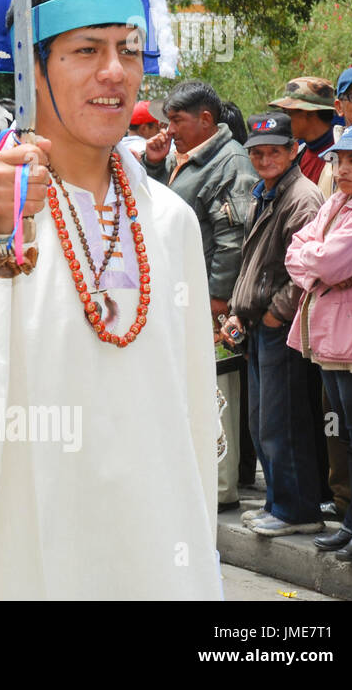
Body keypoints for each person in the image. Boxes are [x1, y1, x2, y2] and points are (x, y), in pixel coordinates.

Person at [0, 0, 221, 600]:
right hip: (16, 522)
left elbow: (188, 398)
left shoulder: (171, 217)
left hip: (146, 533)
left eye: (128, 50)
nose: (114, 72)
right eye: (85, 51)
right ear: (30, 70)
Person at [144, 79, 256, 514]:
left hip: (206, 301)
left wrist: (216, 299)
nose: (168, 130)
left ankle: (221, 484)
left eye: (176, 120)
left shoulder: (229, 162)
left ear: (205, 119)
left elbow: (232, 238)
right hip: (180, 295)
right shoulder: (184, 159)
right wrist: (155, 166)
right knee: (193, 386)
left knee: (217, 388)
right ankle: (197, 477)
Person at [220, 112, 325, 537]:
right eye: (257, 153)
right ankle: (279, 503)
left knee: (282, 420)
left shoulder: (301, 196)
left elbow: (307, 271)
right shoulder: (267, 192)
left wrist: (275, 312)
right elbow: (253, 263)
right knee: (263, 420)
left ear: (293, 150)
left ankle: (296, 511)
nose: (265, 159)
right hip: (259, 323)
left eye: (274, 151)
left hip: (282, 324)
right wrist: (238, 311)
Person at [285, 123, 352, 562]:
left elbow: (333, 262)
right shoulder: (336, 203)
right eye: (340, 160)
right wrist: (316, 261)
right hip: (330, 335)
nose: (344, 168)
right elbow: (299, 249)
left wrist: (315, 261)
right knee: (346, 435)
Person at [269, 75, 337, 196]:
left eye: (288, 113)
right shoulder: (297, 154)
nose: (284, 119)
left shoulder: (341, 157)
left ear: (309, 112)